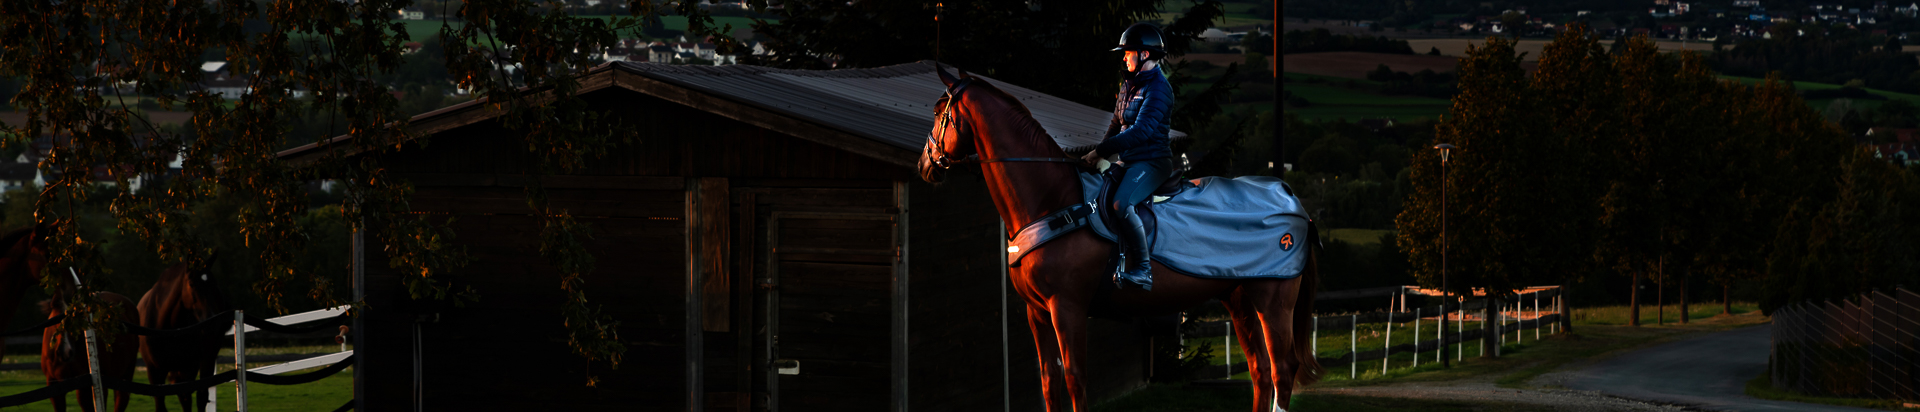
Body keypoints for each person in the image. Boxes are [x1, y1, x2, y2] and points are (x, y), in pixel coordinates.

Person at [1080, 22, 1173, 290]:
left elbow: (1141, 132)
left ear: (1144, 54)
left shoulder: (1159, 89)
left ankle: (1144, 270)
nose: (1123, 56)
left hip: (1152, 162)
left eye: (1127, 51)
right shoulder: (1128, 84)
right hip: (1129, 160)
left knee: (1121, 204)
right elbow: (1115, 123)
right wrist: (1096, 154)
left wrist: (1102, 152)